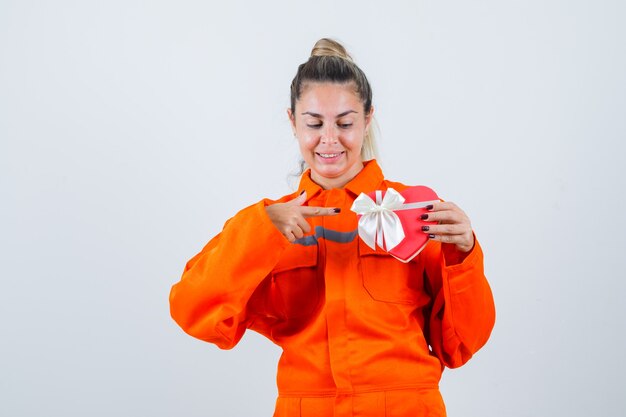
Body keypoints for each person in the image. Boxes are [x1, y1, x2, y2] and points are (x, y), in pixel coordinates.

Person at [169, 38, 495, 417]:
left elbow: (461, 345)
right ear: (292, 121)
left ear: (367, 118)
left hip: (407, 406)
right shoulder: (270, 222)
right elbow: (192, 310)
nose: (329, 140)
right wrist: (259, 230)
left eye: (345, 123)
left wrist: (463, 254)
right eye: (313, 123)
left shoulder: (412, 210)